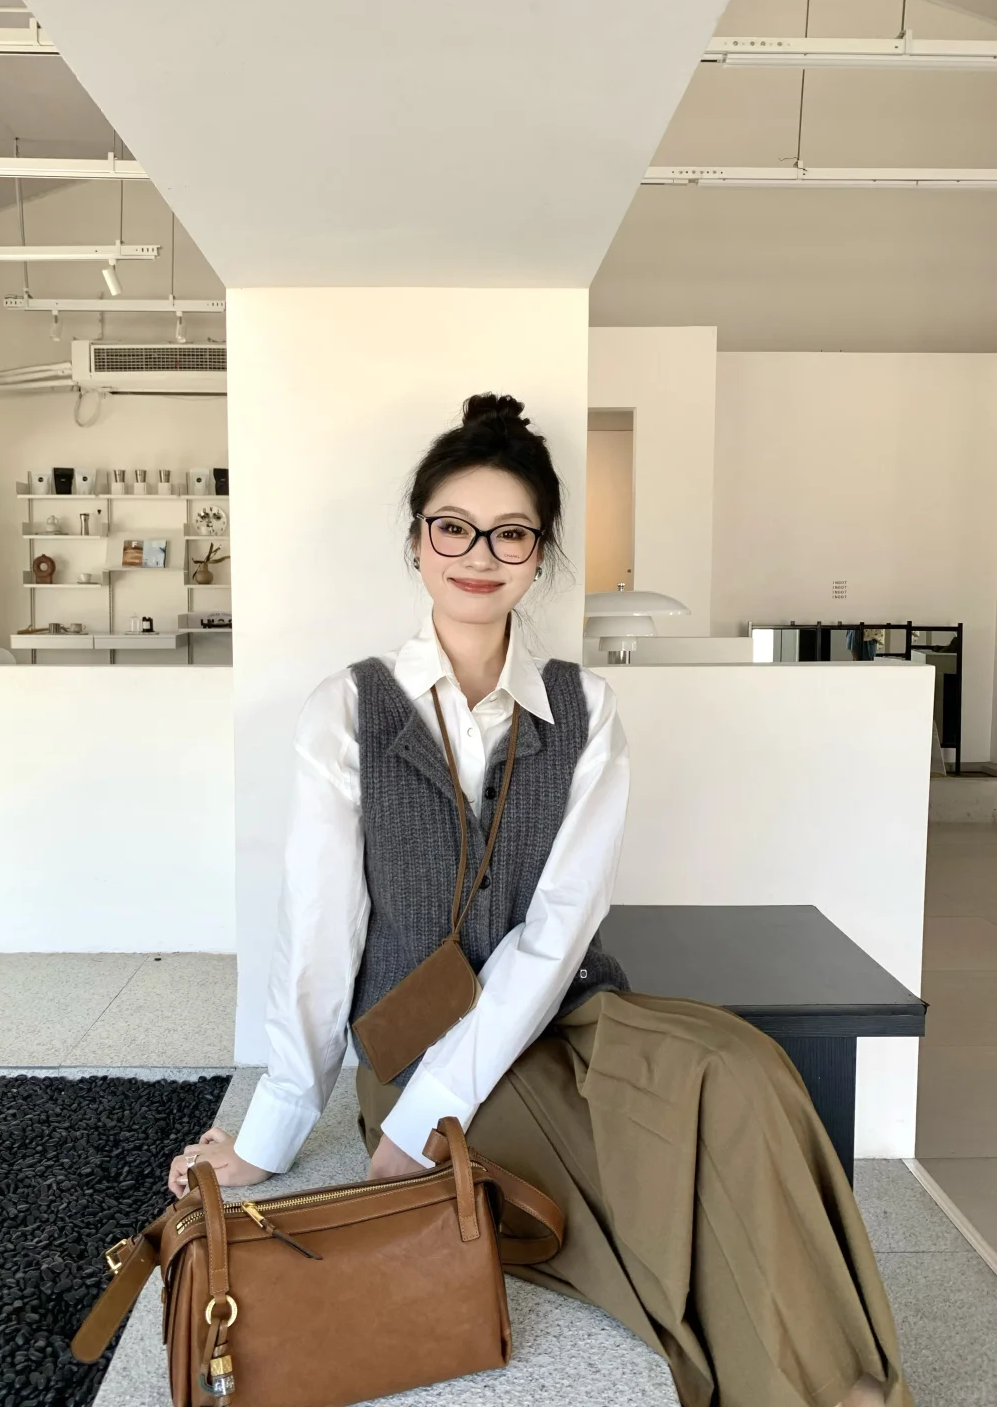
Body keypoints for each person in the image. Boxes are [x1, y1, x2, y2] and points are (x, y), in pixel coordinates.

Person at [167, 393, 910, 1407]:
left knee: (744, 1071)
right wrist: (280, 1125)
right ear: (417, 541)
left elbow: (562, 927)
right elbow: (318, 929)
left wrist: (438, 1105)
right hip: (416, 1050)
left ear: (539, 553)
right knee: (638, 1175)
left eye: (511, 533)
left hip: (568, 1014)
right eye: (453, 527)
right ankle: (820, 1386)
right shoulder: (346, 710)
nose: (480, 554)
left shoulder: (586, 709)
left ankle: (851, 1379)